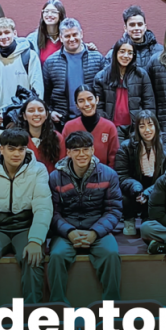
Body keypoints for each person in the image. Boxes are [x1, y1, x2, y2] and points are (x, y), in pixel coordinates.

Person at [0, 129, 52, 308]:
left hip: (26, 226)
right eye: (11, 149)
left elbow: (43, 207)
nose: (17, 154)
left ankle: (32, 314)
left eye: (21, 149)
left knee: (33, 257)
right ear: (1, 149)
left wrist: (36, 240)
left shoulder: (38, 171)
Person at [48, 130, 123, 303]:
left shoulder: (108, 175)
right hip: (67, 230)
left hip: (98, 228)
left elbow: (114, 210)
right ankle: (57, 306)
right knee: (57, 256)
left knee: (111, 254)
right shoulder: (55, 177)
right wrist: (69, 232)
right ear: (68, 153)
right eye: (76, 150)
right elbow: (53, 213)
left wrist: (95, 232)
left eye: (85, 149)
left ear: (92, 150)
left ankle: (112, 307)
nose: (81, 154)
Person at [42, 18, 105, 126]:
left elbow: (105, 91)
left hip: (93, 119)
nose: (71, 39)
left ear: (81, 34)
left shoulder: (97, 58)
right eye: (67, 36)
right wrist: (50, 112)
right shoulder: (50, 62)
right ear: (61, 38)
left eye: (75, 34)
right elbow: (45, 93)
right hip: (62, 121)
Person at [114, 110, 165, 237]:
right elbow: (121, 176)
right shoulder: (126, 147)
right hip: (133, 190)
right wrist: (136, 188)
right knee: (123, 195)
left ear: (156, 126)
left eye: (150, 125)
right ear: (137, 129)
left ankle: (149, 219)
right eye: (142, 126)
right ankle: (129, 220)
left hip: (156, 189)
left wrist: (148, 192)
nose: (147, 130)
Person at [0, 16, 42, 120]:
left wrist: (31, 113)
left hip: (26, 118)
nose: (3, 36)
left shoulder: (29, 56)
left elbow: (37, 89)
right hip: (2, 119)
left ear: (15, 33)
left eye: (7, 32)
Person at [95, 38, 155, 138]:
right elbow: (99, 106)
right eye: (122, 52)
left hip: (135, 129)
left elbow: (149, 104)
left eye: (130, 53)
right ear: (115, 53)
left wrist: (145, 126)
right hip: (111, 129)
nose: (126, 56)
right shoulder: (101, 77)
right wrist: (106, 125)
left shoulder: (141, 75)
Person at [61, 86, 119, 167]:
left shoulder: (109, 127)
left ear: (97, 100)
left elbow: (113, 159)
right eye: (81, 101)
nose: (87, 104)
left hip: (102, 176)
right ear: (76, 105)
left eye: (90, 99)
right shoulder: (69, 127)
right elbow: (64, 157)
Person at [12, 97, 65, 173]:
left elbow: (61, 167)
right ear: (24, 116)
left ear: (46, 114)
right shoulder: (15, 138)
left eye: (40, 110)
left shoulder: (57, 137)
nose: (36, 114)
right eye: (31, 110)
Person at [113, 5, 163, 71]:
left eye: (140, 24)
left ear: (145, 27)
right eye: (132, 25)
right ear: (125, 28)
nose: (136, 28)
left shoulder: (160, 51)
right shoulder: (115, 52)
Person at [27, 0, 66, 65]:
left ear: (61, 15)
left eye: (53, 12)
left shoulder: (67, 37)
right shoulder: (32, 39)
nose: (49, 15)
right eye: (46, 11)